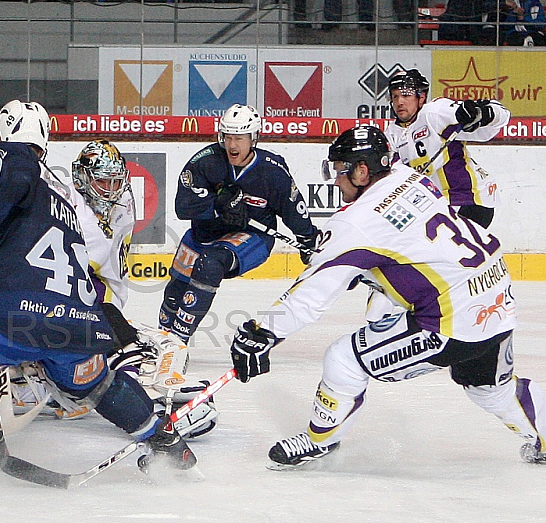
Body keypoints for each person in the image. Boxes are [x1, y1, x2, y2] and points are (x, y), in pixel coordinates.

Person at [0, 100, 198, 473]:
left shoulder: (10, 163)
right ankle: (164, 442)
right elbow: (2, 263)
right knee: (97, 384)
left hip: (14, 318)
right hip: (79, 324)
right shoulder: (64, 201)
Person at [228, 125, 546, 469]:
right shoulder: (409, 176)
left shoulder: (356, 224)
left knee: (343, 359)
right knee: (492, 389)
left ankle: (320, 440)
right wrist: (355, 264)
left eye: (340, 171)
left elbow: (309, 295)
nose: (336, 181)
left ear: (362, 171)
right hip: (496, 291)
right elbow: (411, 242)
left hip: (454, 319)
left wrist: (263, 332)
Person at [8, 139, 219, 438]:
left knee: (116, 334)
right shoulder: (63, 205)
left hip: (90, 294)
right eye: (102, 181)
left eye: (115, 181)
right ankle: (48, 375)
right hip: (49, 297)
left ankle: (115, 375)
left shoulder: (119, 207)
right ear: (82, 178)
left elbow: (103, 269)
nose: (110, 189)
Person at [158, 103, 319, 345]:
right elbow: (184, 206)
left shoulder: (272, 171)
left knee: (210, 264)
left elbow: (292, 207)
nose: (233, 145)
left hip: (251, 237)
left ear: (254, 138)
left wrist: (308, 239)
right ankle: (161, 341)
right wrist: (218, 207)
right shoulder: (205, 162)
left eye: (240, 138)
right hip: (204, 235)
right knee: (174, 295)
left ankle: (176, 344)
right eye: (228, 137)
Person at [384, 68, 510, 229]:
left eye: (406, 95)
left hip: (468, 200)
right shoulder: (391, 134)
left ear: (421, 97)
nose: (399, 102)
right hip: (435, 206)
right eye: (395, 96)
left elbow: (498, 118)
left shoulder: (434, 113)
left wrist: (482, 113)